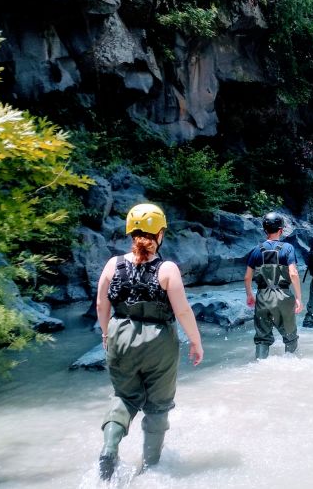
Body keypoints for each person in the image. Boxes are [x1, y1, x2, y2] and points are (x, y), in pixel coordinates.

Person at [95, 203, 204, 481]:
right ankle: (151, 470)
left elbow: (100, 304)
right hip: (159, 343)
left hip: (120, 337)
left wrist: (107, 334)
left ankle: (109, 447)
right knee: (158, 406)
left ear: (130, 232)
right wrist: (195, 341)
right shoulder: (167, 269)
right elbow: (181, 311)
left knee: (124, 397)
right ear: (160, 234)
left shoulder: (113, 264)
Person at [245, 212, 303, 359]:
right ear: (281, 230)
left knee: (262, 338)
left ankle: (260, 366)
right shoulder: (288, 248)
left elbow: (247, 277)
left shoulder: (256, 250)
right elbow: (293, 274)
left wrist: (250, 295)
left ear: (265, 230)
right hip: (283, 296)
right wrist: (298, 297)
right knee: (290, 335)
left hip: (263, 296)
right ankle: (291, 365)